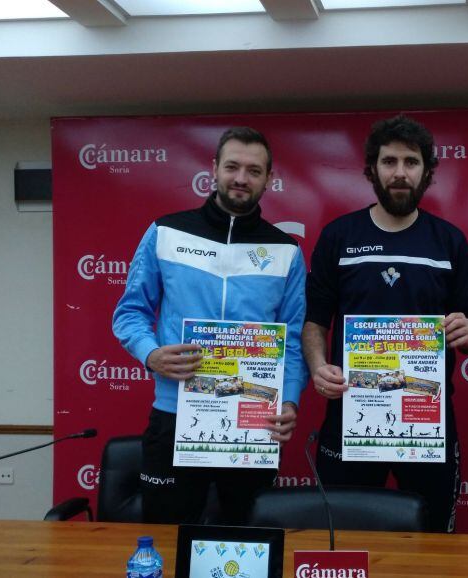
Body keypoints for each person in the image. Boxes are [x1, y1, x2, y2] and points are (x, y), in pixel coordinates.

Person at [112, 127, 307, 525]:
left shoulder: (287, 250)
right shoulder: (166, 232)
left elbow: (291, 340)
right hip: (174, 414)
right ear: (214, 169)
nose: (241, 178)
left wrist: (288, 401)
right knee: (167, 538)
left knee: (248, 545)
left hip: (255, 419)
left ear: (269, 179)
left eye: (254, 170)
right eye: (232, 166)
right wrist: (150, 353)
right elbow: (129, 312)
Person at [303, 114, 468, 533]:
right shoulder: (339, 236)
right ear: (372, 169)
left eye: (411, 162)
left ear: (426, 172)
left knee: (434, 536)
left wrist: (467, 332)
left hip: (425, 413)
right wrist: (316, 367)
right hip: (351, 411)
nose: (400, 173)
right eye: (389, 162)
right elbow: (315, 321)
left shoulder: (449, 240)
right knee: (343, 535)